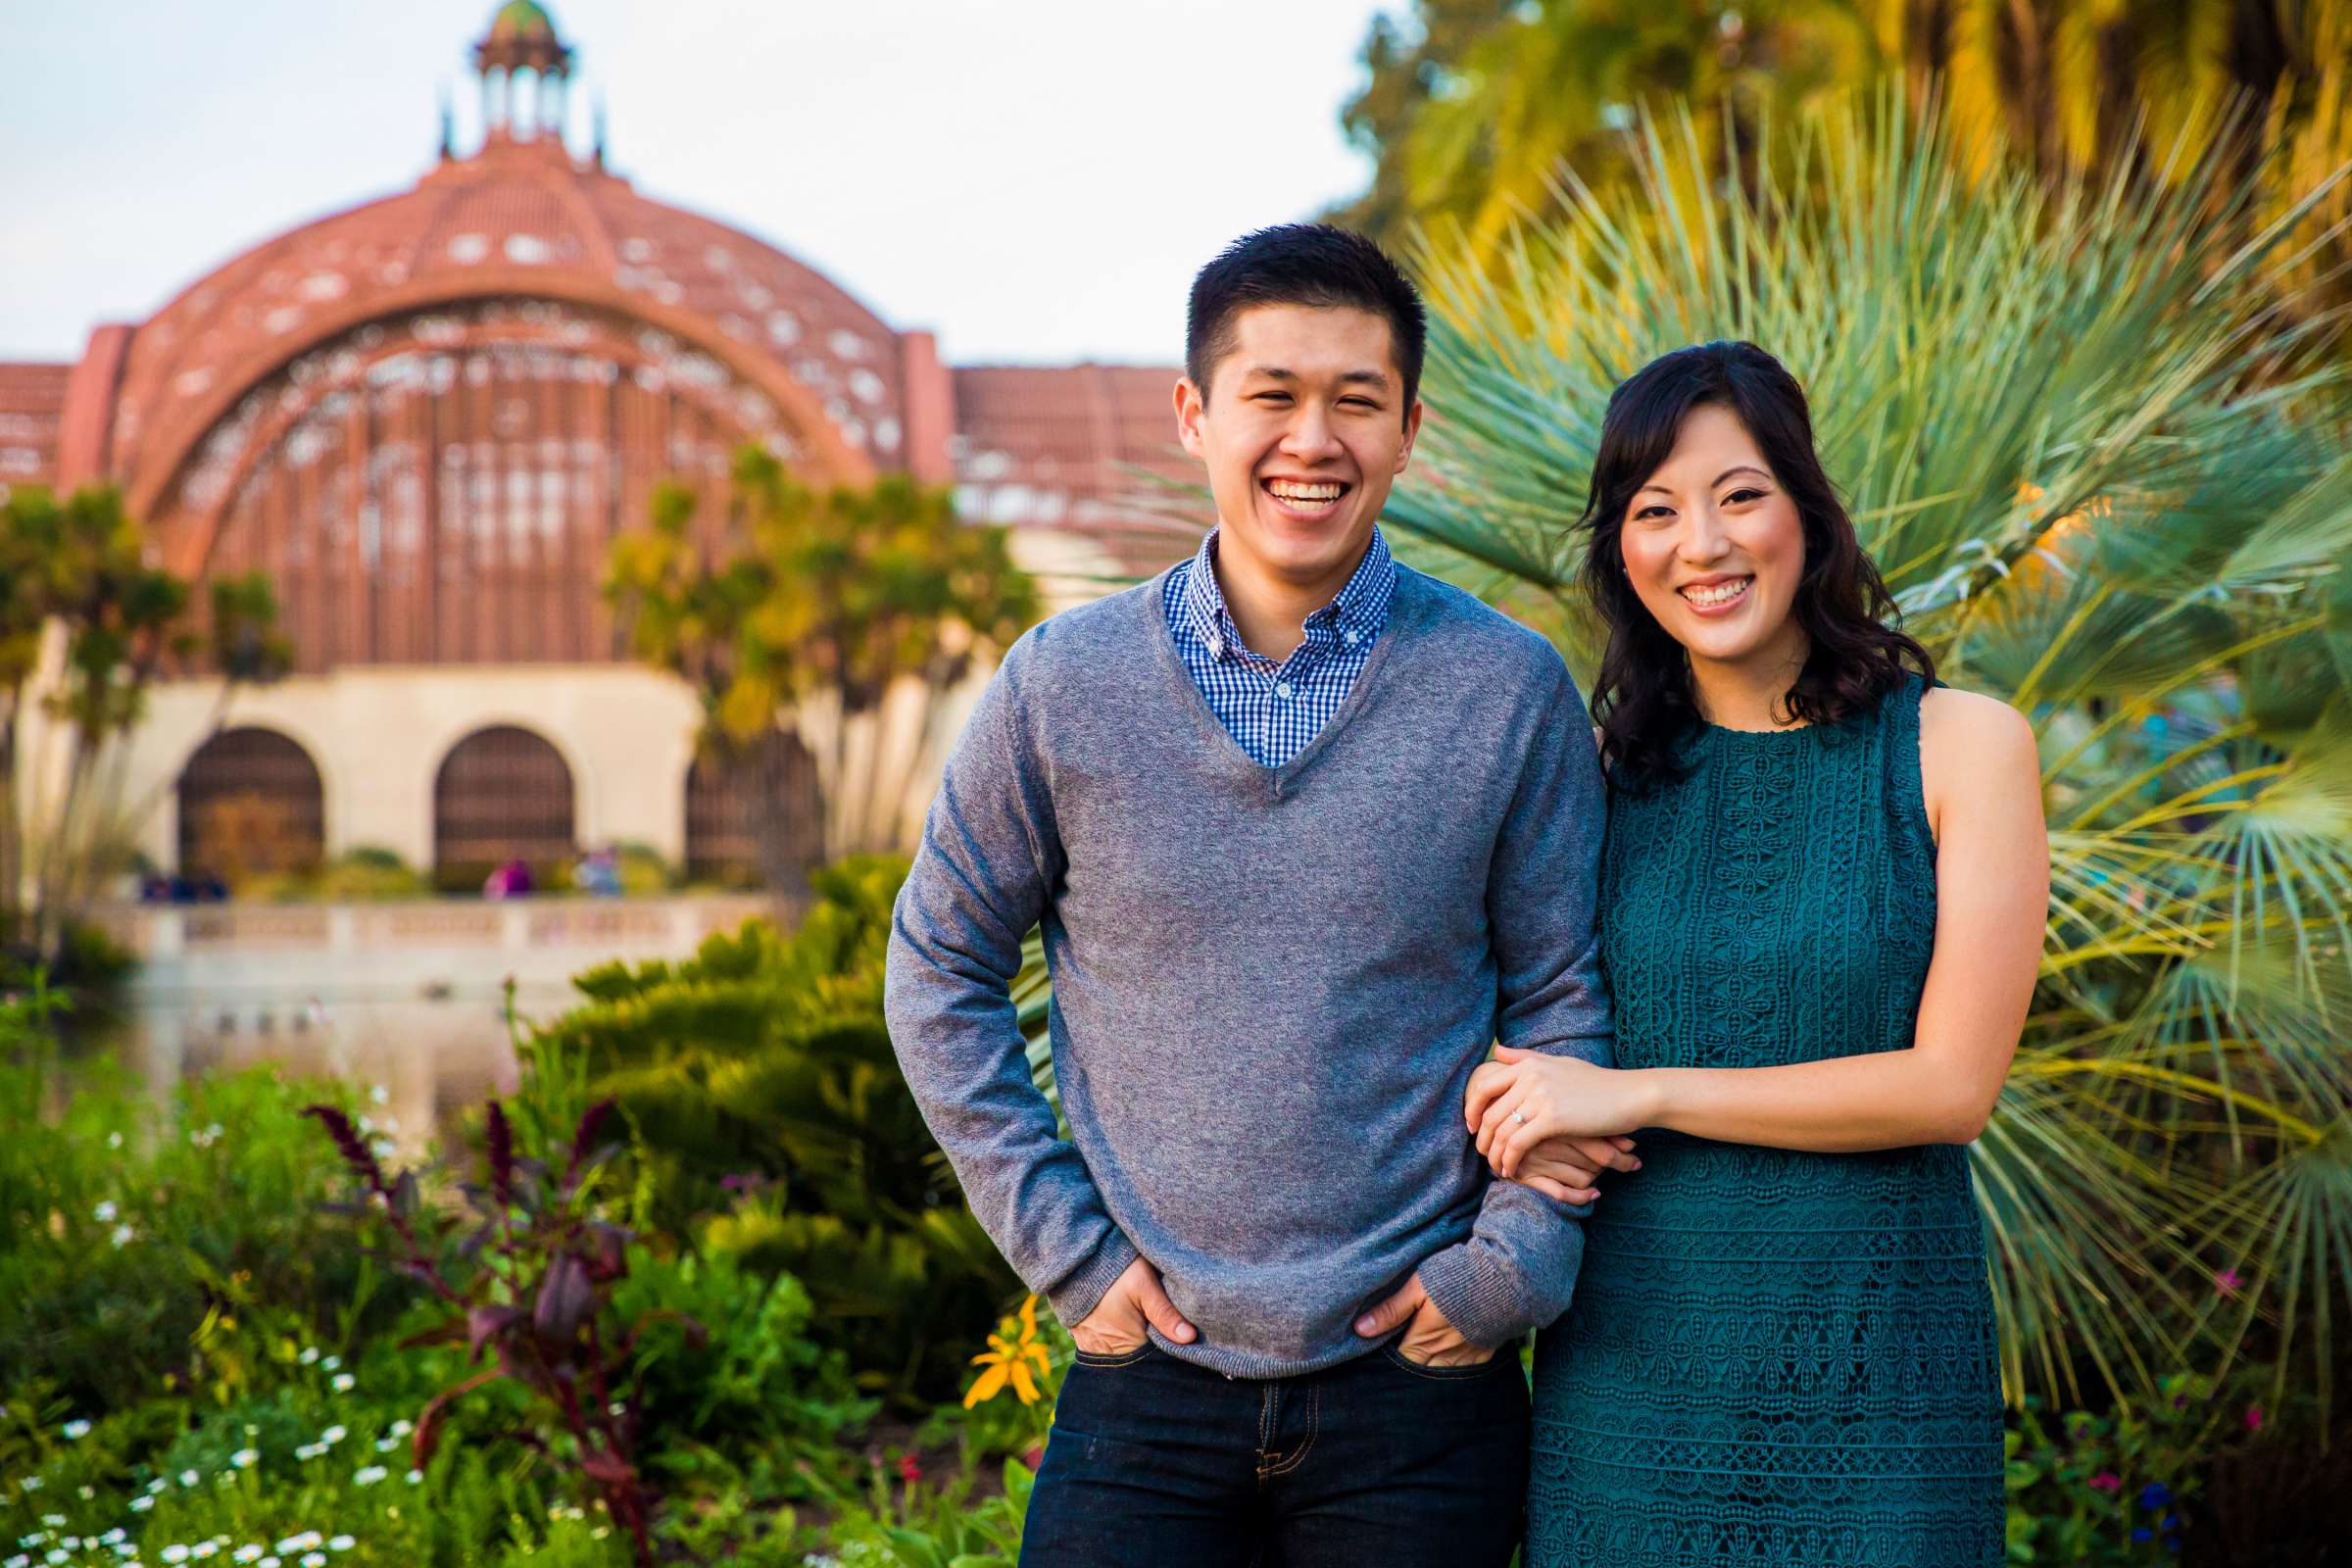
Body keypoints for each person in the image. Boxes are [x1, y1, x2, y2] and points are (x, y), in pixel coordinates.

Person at [883, 223, 1632, 1565]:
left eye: (1355, 401)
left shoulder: (1505, 691)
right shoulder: (1063, 684)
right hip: (1147, 1379)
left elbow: (1564, 996)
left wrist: (1509, 1269)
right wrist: (1071, 1258)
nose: (1313, 439)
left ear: (1409, 429)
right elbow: (937, 967)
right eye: (1272, 395)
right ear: (1196, 415)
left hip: (1422, 1383)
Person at [1471, 341, 2046, 1566]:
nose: (1704, 544)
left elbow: (1952, 1088)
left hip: (1878, 1377)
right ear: (1622, 552)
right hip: (1631, 1389)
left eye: (1740, 495)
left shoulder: (1961, 749)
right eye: (1655, 510)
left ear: (1807, 509)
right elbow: (1495, 1026)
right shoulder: (1591, 779)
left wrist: (1649, 1090)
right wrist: (1505, 1091)